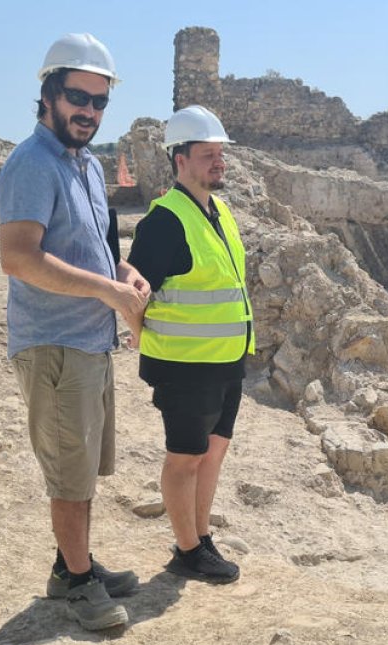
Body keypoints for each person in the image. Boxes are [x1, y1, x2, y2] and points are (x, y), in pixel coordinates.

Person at [0, 33, 148, 631]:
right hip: (55, 346)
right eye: (78, 97)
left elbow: (90, 249)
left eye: (99, 101)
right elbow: (20, 258)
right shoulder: (31, 163)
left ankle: (70, 565)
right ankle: (79, 585)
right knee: (68, 473)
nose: (89, 111)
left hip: (88, 342)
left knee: (82, 468)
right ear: (49, 94)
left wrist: (124, 274)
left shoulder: (83, 162)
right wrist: (109, 293)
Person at [125, 105, 255, 584]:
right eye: (207, 155)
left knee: (214, 451)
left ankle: (201, 539)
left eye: (220, 154)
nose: (218, 163)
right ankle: (187, 549)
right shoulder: (164, 221)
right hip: (184, 365)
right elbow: (133, 289)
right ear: (179, 160)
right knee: (185, 458)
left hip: (225, 361)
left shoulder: (219, 212)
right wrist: (140, 336)